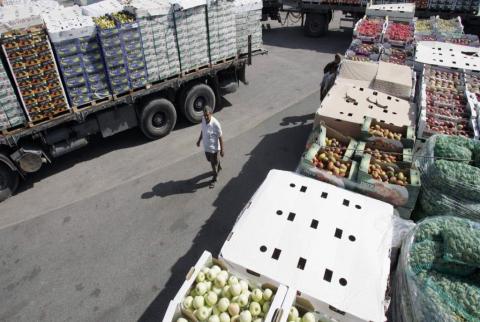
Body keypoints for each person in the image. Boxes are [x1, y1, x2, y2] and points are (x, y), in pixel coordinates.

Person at [196, 106, 224, 188]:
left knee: (213, 164)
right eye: (204, 115)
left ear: (211, 114)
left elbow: (220, 137)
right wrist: (199, 140)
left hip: (214, 149)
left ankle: (215, 178)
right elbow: (203, 130)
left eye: (207, 115)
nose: (205, 117)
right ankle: (218, 165)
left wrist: (222, 150)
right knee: (209, 160)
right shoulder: (203, 120)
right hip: (206, 147)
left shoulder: (216, 124)